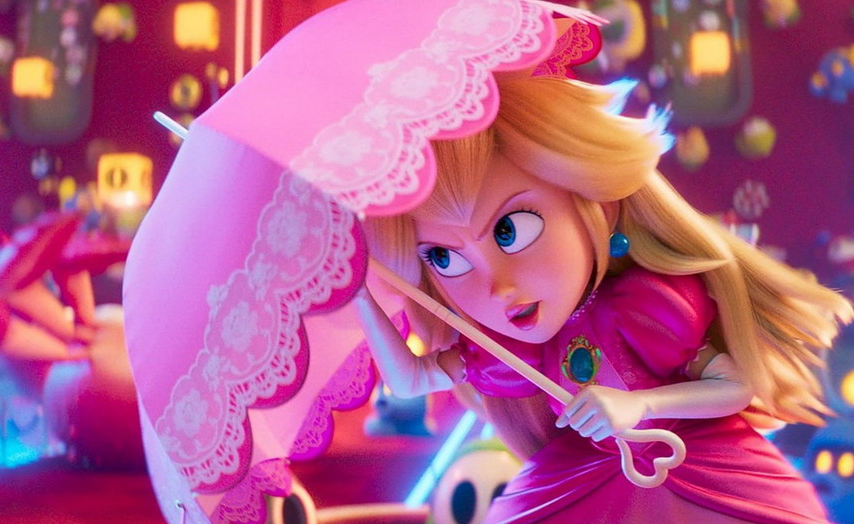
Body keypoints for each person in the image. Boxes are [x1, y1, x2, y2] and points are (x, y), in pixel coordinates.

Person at [354, 75, 854, 523]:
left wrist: (640, 404)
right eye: (444, 258)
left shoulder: (641, 310)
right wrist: (356, 287)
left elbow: (735, 386)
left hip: (693, 466)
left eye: (511, 230)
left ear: (598, 205)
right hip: (582, 481)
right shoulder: (513, 352)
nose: (498, 286)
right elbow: (410, 378)